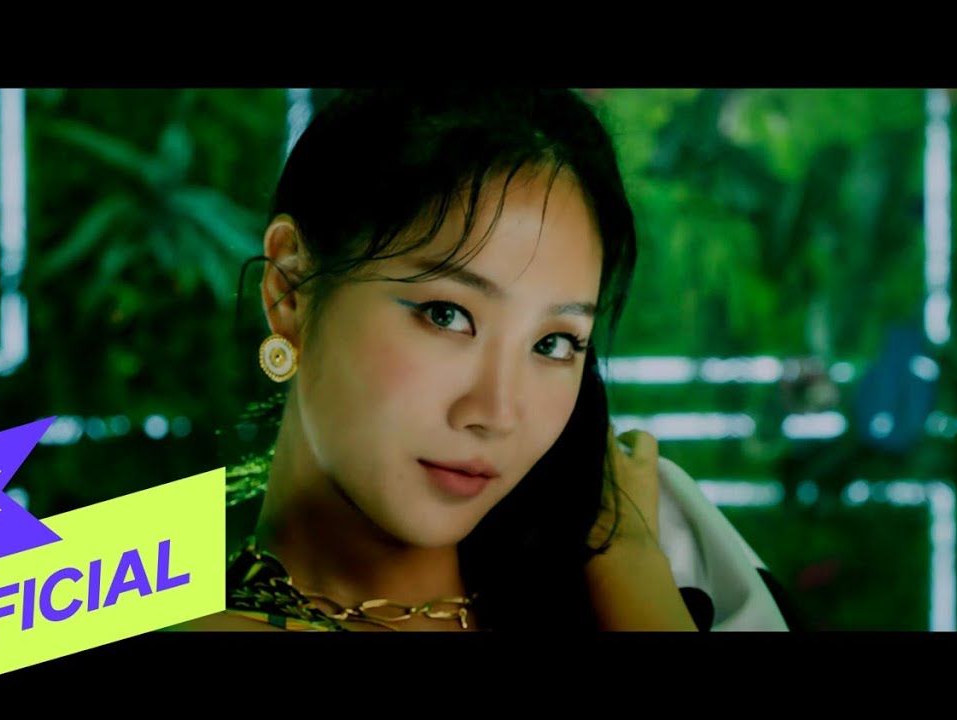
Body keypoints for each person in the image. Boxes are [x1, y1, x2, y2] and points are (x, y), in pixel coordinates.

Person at [183, 89, 797, 632]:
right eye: (446, 314)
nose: (496, 413)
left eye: (554, 344)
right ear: (290, 288)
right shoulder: (154, 577)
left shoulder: (666, 555)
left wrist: (634, 571)